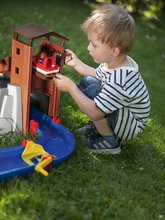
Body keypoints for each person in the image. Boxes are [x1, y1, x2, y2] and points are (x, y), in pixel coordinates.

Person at [54, 3, 150, 154]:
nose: (88, 48)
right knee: (89, 83)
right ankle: (100, 128)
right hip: (123, 113)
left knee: (93, 93)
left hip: (130, 124)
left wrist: (71, 87)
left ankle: (110, 142)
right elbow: (97, 75)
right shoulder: (116, 62)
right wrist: (76, 63)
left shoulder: (120, 79)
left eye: (94, 45)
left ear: (114, 50)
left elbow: (95, 112)